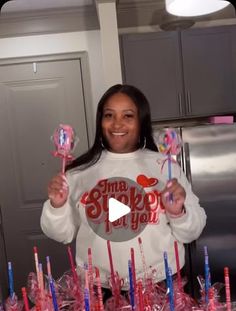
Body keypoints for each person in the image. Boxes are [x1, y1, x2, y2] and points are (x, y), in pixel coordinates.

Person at [40, 84, 206, 290]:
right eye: (109, 115)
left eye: (128, 116)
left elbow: (192, 231)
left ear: (141, 122)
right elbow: (61, 234)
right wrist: (57, 206)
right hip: (99, 287)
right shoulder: (77, 173)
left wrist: (178, 213)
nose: (117, 124)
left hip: (160, 283)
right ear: (100, 121)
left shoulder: (165, 167)